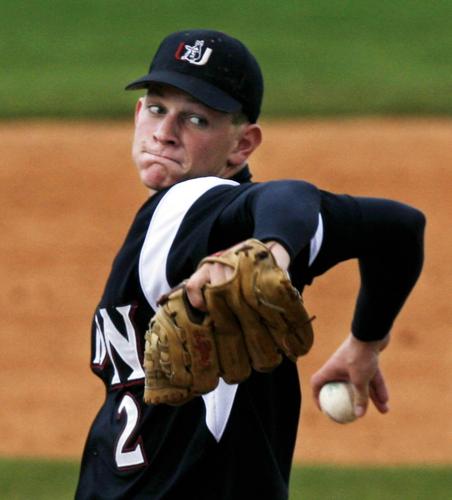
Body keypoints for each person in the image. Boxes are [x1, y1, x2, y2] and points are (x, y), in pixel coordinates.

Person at [75, 30, 425, 499]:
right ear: (138, 114)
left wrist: (272, 250)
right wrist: (367, 341)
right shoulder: (238, 224)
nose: (164, 132)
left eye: (196, 119)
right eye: (157, 108)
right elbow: (399, 229)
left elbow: (288, 192)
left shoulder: (191, 205)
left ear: (242, 146)